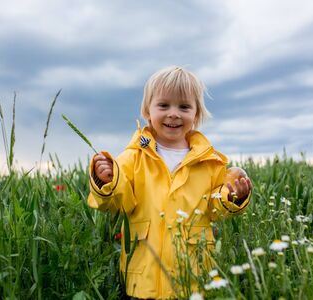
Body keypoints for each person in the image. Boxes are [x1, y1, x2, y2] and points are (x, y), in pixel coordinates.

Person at [87, 66, 252, 299]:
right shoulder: (133, 157)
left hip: (193, 277)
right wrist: (106, 182)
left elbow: (216, 210)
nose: (173, 114)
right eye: (163, 105)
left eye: (184, 107)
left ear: (196, 114)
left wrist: (234, 196)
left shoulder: (210, 163)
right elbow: (117, 205)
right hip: (144, 279)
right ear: (147, 111)